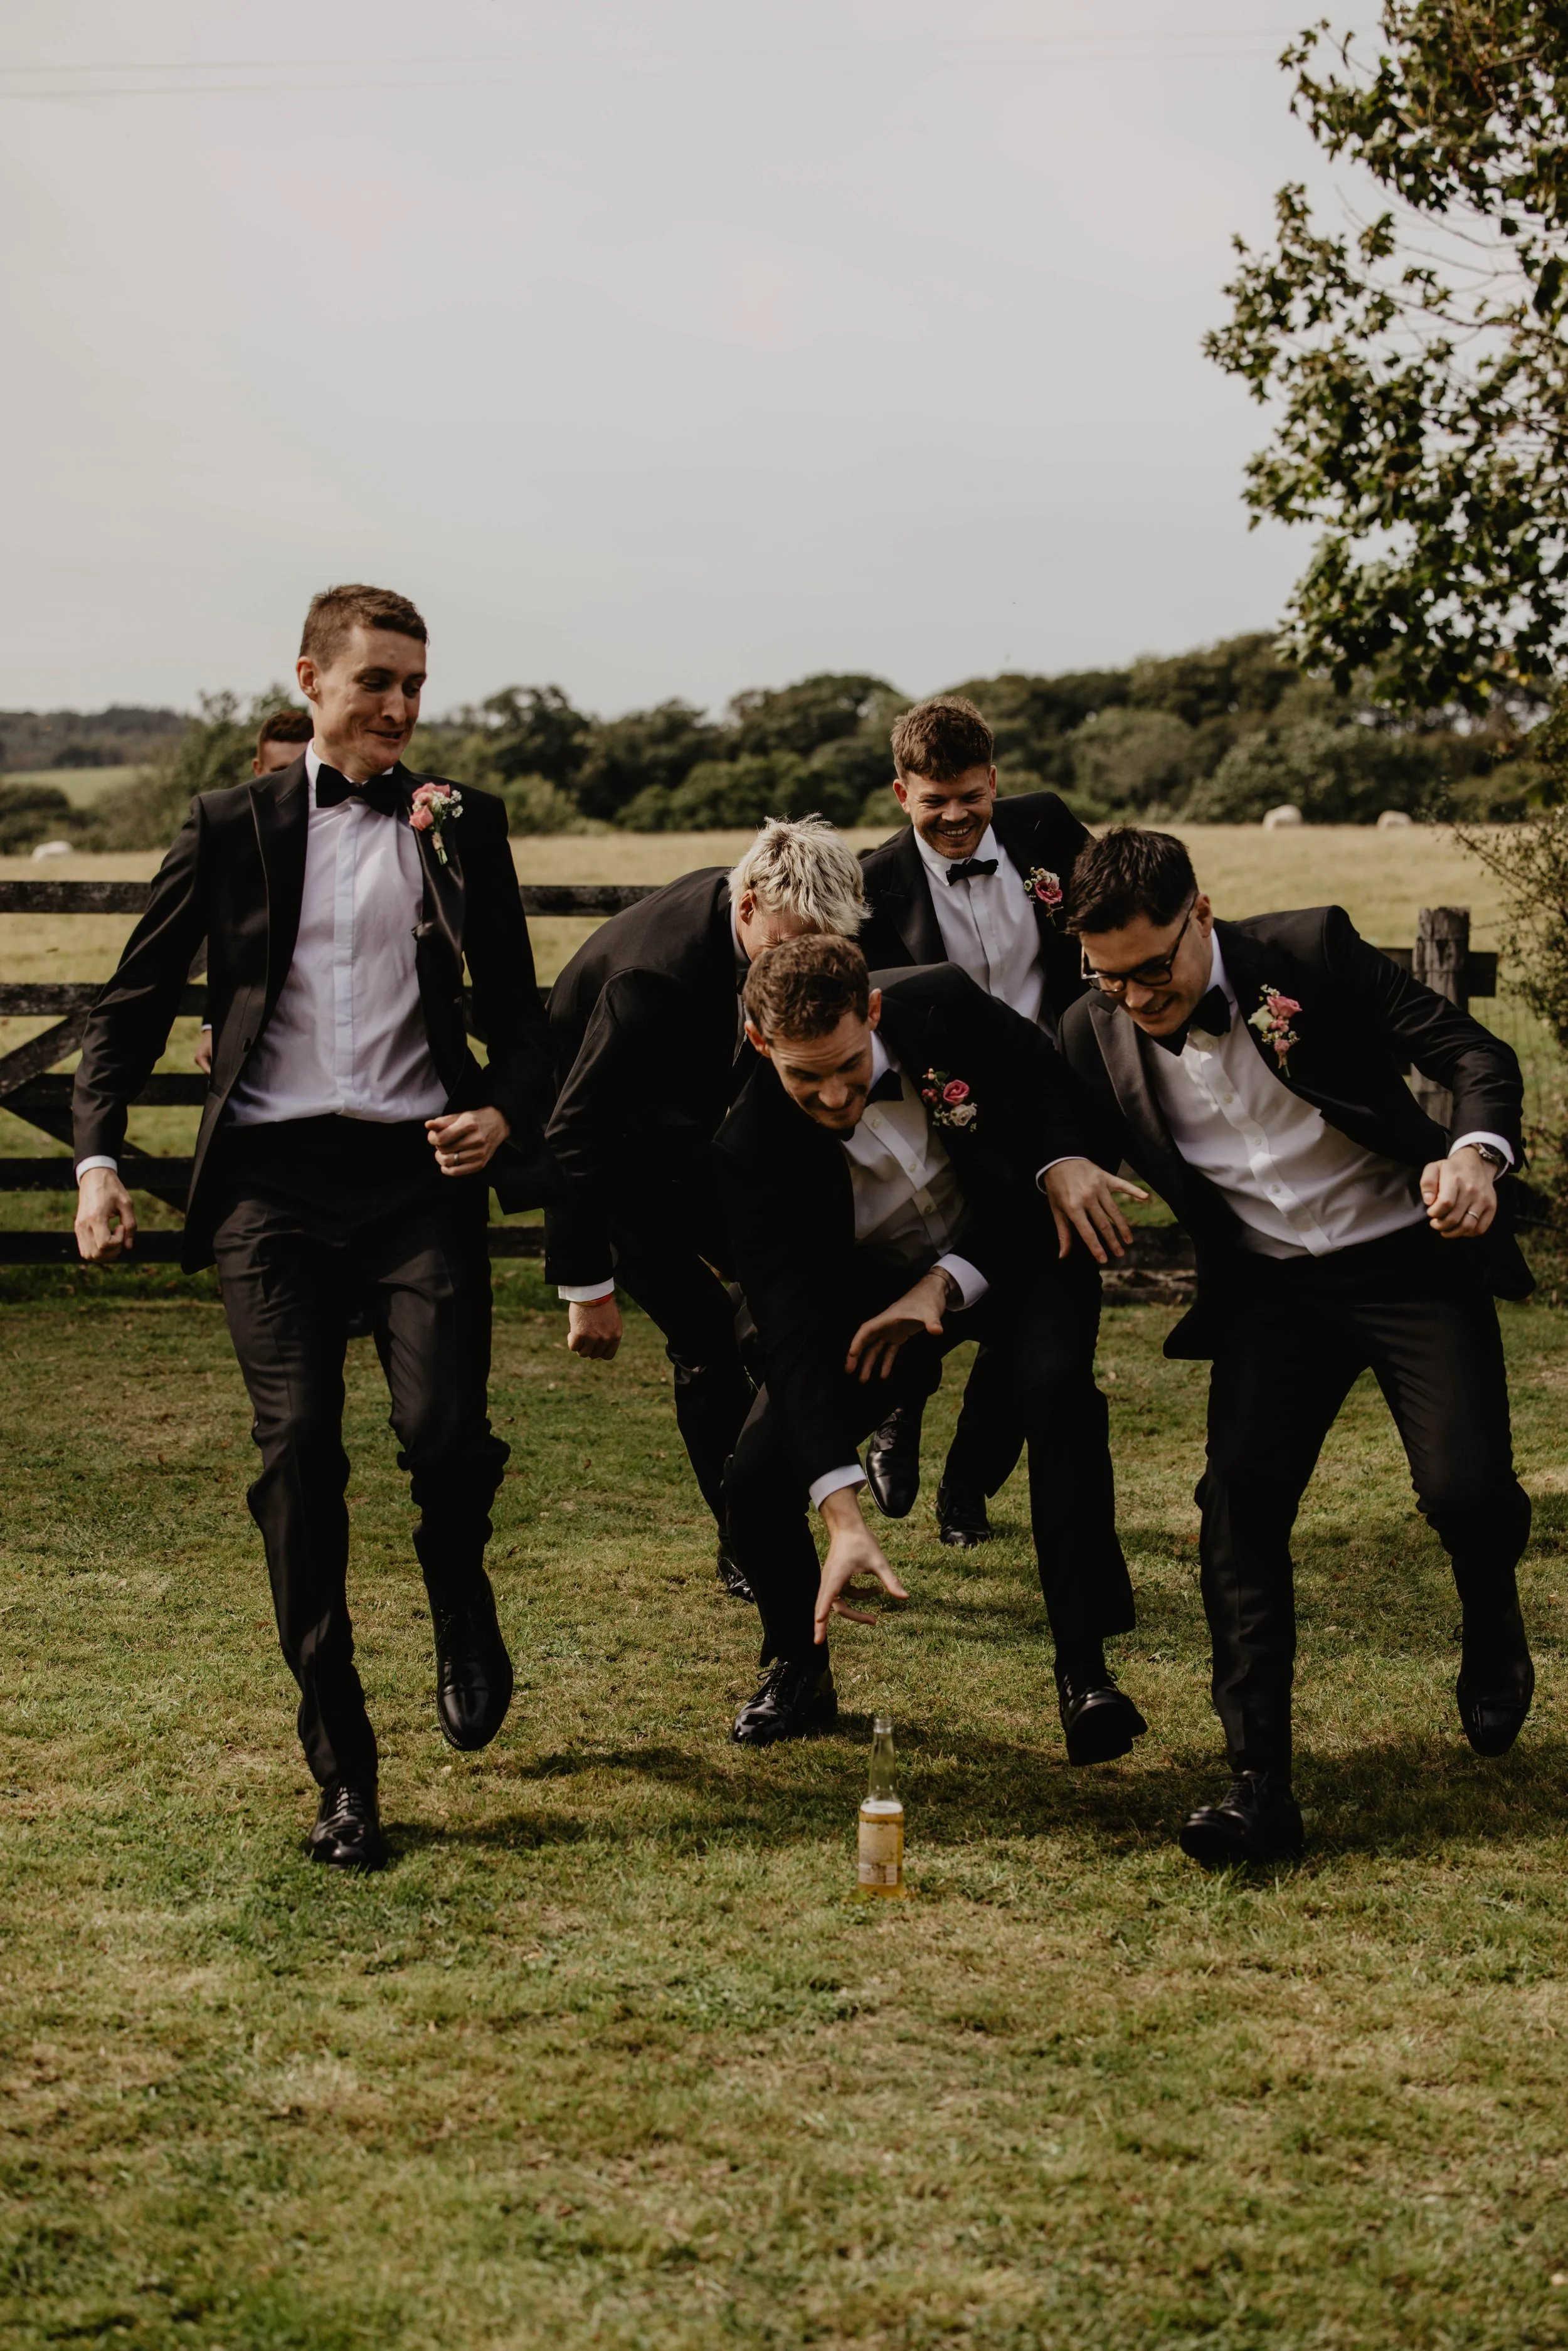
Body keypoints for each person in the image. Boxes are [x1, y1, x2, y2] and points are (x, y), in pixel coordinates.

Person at [73, 584, 556, 1873]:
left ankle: (459, 1586)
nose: (400, 706)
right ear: (310, 678)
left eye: (416, 685)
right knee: (299, 1460)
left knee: (444, 1433)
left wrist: (504, 1114)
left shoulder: (462, 826)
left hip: (415, 1173)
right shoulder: (227, 825)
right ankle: (344, 1768)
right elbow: (129, 1003)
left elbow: (523, 1016)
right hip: (271, 1190)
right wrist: (99, 1157)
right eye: (376, 681)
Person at [1058, 827, 1533, 1869]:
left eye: (1154, 970)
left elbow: (1472, 1055)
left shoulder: (1310, 952)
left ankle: (1492, 1613)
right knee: (1236, 1509)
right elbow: (1042, 1116)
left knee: (1466, 1493)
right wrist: (1058, 1161)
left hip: (1409, 1255)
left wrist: (1471, 1154)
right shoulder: (1090, 1028)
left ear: (1203, 915)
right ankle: (1256, 1783)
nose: (1136, 999)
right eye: (1109, 978)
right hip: (1272, 1291)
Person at [713, 932, 1148, 1758]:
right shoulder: (747, 1149)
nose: (836, 1096)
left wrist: (1055, 1160)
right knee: (759, 1475)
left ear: (871, 1011)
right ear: (759, 1041)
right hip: (873, 1301)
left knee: (1058, 1396)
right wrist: (840, 1514)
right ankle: (798, 1667)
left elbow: (1060, 1089)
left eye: (847, 1066)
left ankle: (1085, 1674)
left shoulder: (943, 1001)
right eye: (804, 1077)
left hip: (1017, 1249)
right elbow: (793, 1336)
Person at [544, 817, 867, 1600]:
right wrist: (588, 1286)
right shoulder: (651, 978)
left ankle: (797, 1503)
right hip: (626, 1170)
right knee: (708, 1345)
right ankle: (744, 1542)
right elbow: (573, 1133)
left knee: (785, 1322)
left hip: (714, 1151)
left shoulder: (804, 927)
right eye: (788, 943)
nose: (802, 963)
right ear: (749, 904)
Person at [857, 694, 1094, 1546]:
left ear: (994, 781)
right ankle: (899, 1404)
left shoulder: (1049, 829)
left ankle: (969, 1485)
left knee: (1045, 1294)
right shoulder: (872, 882)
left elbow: (1111, 914)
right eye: (934, 801)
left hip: (1058, 1104)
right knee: (954, 1275)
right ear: (901, 794)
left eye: (970, 796)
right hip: (946, 1120)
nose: (955, 817)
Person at [194, 709, 316, 1076]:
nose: (294, 782)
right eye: (281, 771)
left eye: (303, 769)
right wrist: (212, 1025)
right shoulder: (236, 841)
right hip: (259, 1029)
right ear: (258, 769)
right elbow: (226, 940)